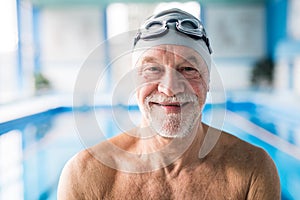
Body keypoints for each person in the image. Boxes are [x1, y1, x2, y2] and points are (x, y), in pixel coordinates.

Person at [57, 8, 280, 199]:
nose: (170, 87)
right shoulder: (86, 174)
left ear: (208, 81)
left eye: (188, 69)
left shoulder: (253, 169)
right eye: (153, 69)